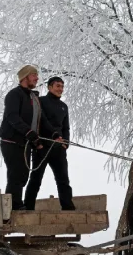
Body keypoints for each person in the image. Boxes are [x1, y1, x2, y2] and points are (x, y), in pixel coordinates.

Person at [0, 65, 62, 210]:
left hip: (26, 143)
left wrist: (54, 133)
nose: (37, 78)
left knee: (24, 175)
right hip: (11, 141)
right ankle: (13, 207)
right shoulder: (14, 95)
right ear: (25, 77)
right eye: (34, 75)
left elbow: (42, 119)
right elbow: (12, 116)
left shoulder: (33, 97)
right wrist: (28, 132)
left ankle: (15, 205)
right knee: (16, 174)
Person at [23, 76, 75, 210]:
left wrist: (66, 143)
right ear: (50, 87)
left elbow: (66, 128)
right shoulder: (40, 102)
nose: (60, 89)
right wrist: (39, 143)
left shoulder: (64, 107)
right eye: (58, 86)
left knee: (63, 179)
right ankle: (28, 207)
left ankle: (68, 208)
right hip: (42, 147)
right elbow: (40, 121)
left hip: (59, 148)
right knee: (36, 178)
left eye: (62, 86)